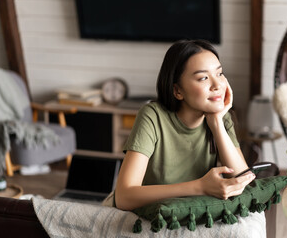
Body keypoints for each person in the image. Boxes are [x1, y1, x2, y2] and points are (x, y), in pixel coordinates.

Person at [103, 39, 255, 210]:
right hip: (144, 211)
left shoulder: (220, 117)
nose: (217, 85)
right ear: (177, 91)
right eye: (203, 78)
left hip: (187, 211)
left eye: (219, 74)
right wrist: (200, 187)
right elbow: (124, 197)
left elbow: (244, 182)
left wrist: (217, 125)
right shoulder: (153, 116)